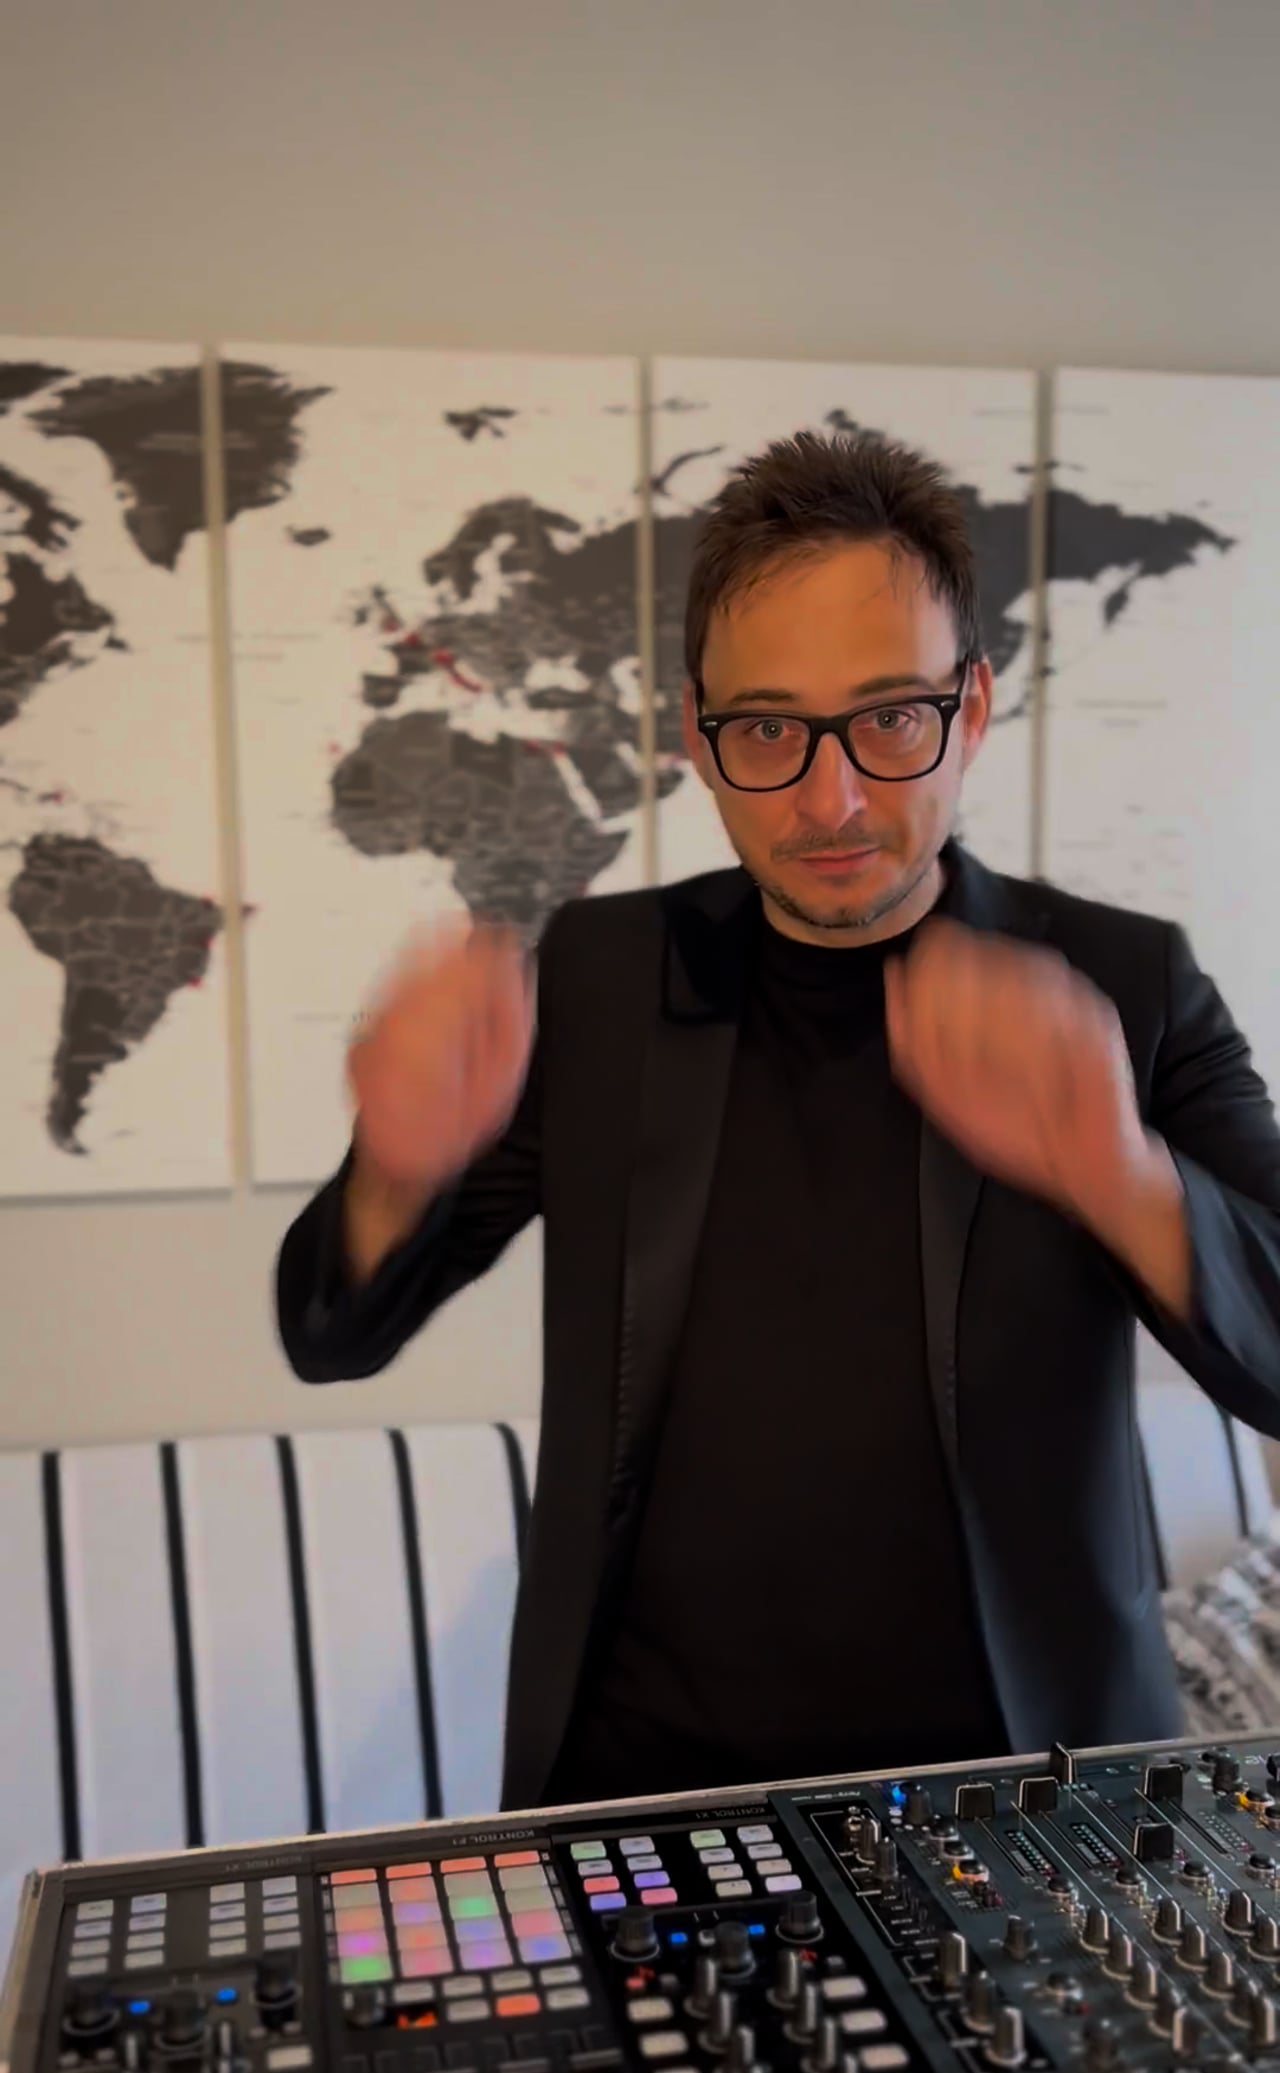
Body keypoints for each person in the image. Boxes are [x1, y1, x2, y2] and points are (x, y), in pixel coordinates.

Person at [277, 429, 1280, 1810]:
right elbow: (332, 1335)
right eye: (766, 729)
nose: (831, 797)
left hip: (1021, 1790)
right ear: (698, 734)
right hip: (638, 1796)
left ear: (972, 708)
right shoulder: (598, 978)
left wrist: (1118, 1173)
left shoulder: (1128, 983)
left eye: (890, 717)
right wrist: (395, 1168)